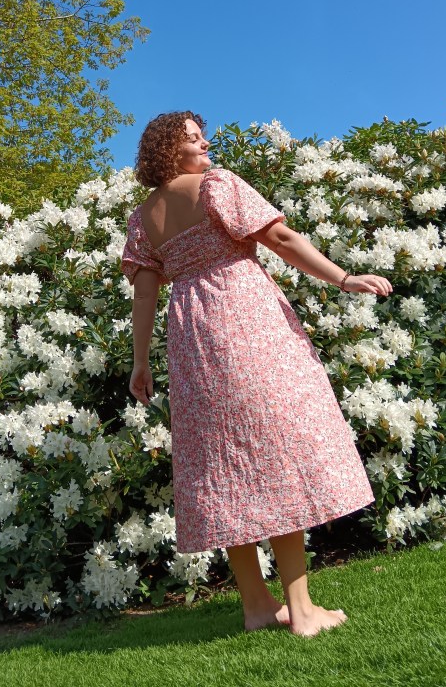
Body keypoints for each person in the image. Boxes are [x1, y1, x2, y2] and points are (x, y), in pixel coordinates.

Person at [120, 111, 393, 637]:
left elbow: (146, 292)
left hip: (191, 336)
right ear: (170, 149)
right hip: (243, 316)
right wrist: (343, 278)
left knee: (221, 466)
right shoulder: (217, 185)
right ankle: (302, 609)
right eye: (195, 139)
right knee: (275, 452)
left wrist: (140, 361)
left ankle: (257, 607)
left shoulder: (143, 216)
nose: (206, 145)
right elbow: (282, 239)